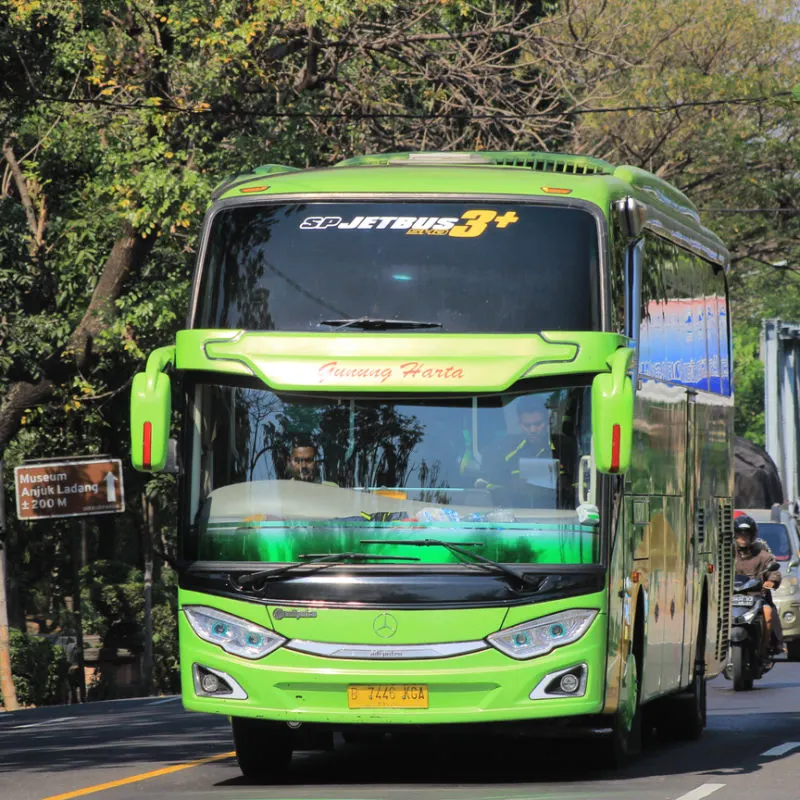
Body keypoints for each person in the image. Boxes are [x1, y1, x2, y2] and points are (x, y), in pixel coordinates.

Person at [476, 397, 561, 507]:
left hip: (559, 514)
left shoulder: (565, 447)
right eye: (527, 425)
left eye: (538, 424)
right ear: (520, 424)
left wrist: (559, 485)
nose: (533, 430)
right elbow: (490, 487)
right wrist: (511, 487)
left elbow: (582, 489)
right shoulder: (505, 450)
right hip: (517, 518)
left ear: (547, 421)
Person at [733, 513, 783, 659]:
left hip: (756, 598)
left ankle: (764, 649)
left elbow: (774, 572)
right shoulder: (728, 553)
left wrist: (771, 581)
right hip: (731, 597)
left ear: (752, 535)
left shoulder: (763, 555)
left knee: (767, 615)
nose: (743, 537)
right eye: (740, 534)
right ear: (735, 535)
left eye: (746, 534)